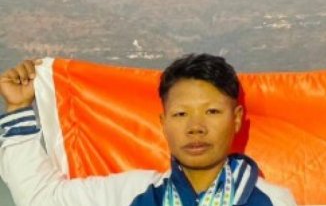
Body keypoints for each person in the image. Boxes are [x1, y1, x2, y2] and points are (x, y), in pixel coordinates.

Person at [0, 53, 296, 206]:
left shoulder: (273, 201)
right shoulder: (130, 194)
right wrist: (18, 108)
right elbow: (42, 199)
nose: (195, 128)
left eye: (212, 112)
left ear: (236, 118)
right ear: (163, 123)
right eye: (181, 114)